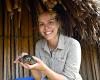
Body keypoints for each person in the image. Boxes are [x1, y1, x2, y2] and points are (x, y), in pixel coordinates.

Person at [14, 10, 82, 80]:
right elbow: (39, 78)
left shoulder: (73, 45)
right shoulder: (39, 45)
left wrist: (44, 69)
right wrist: (30, 61)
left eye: (50, 22)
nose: (46, 27)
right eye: (41, 24)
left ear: (58, 24)